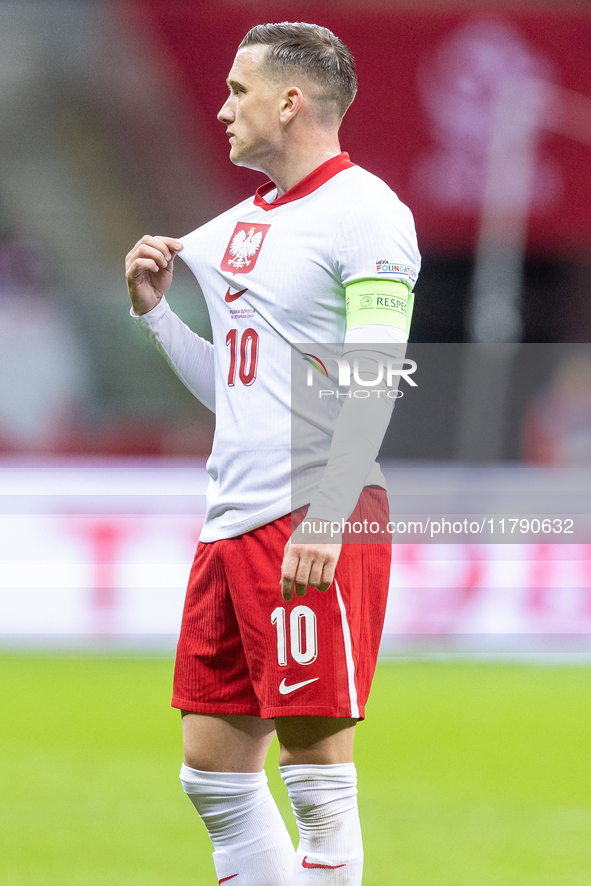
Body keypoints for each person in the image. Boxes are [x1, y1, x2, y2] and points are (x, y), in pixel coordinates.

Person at [125, 22, 419, 885]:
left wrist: (327, 517)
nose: (220, 110)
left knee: (318, 785)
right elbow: (236, 391)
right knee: (212, 776)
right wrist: (155, 315)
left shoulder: (366, 212)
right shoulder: (220, 237)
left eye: (236, 90)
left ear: (290, 101)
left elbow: (375, 374)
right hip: (231, 521)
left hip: (312, 511)